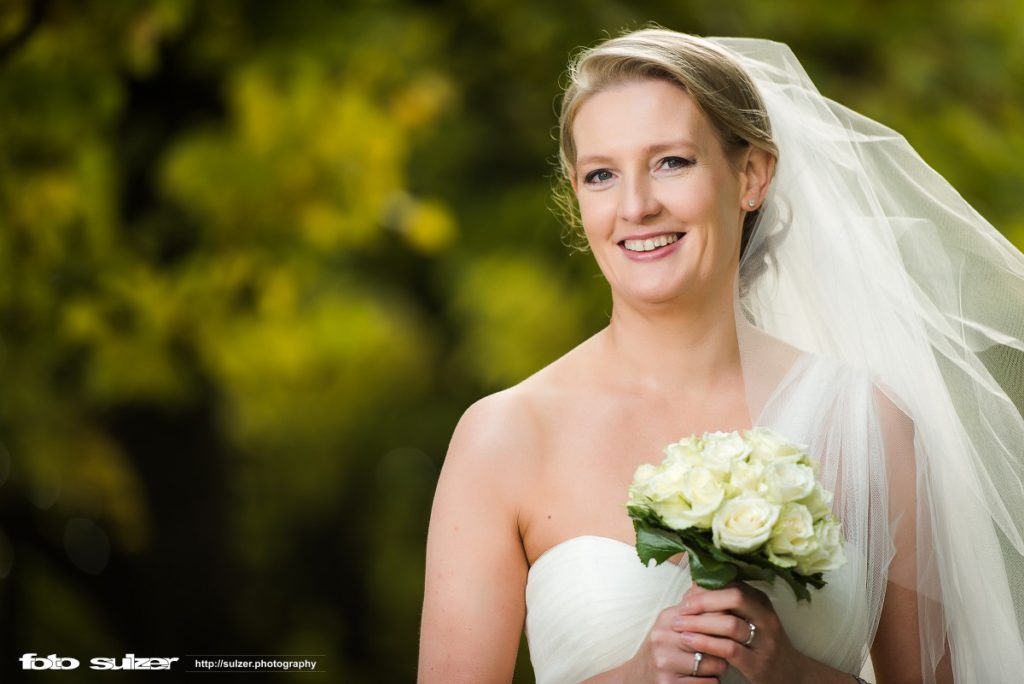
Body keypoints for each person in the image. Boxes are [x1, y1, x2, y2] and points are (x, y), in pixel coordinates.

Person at [418, 28, 1024, 684]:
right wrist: (636, 675)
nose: (636, 206)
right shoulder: (504, 436)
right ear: (577, 194)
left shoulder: (869, 424)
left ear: (752, 175)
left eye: (671, 162)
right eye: (601, 175)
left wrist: (792, 674)